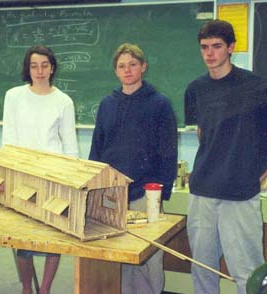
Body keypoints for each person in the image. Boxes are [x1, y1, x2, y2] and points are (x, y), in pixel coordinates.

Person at [184, 19, 267, 294]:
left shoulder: (259, 86)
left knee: (247, 273)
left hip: (241, 194)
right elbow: (203, 132)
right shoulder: (195, 89)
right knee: (202, 268)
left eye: (217, 46)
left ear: (231, 47)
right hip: (202, 193)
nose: (210, 53)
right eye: (204, 47)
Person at [89, 43, 178, 294]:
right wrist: (91, 188)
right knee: (120, 256)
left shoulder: (159, 104)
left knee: (150, 256)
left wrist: (161, 192)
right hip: (111, 195)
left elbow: (169, 151)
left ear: (143, 67)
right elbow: (97, 148)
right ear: (116, 71)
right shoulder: (107, 104)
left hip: (145, 194)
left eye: (132, 64)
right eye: (121, 66)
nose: (127, 70)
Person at [2, 45, 78, 294]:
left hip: (53, 177)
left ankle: (44, 289)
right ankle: (26, 288)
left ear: (52, 67)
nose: (40, 70)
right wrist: (6, 174)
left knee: (51, 238)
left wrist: (71, 182)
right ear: (28, 68)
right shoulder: (13, 96)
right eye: (34, 65)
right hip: (22, 176)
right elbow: (8, 140)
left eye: (45, 65)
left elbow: (70, 146)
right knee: (23, 239)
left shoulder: (64, 101)